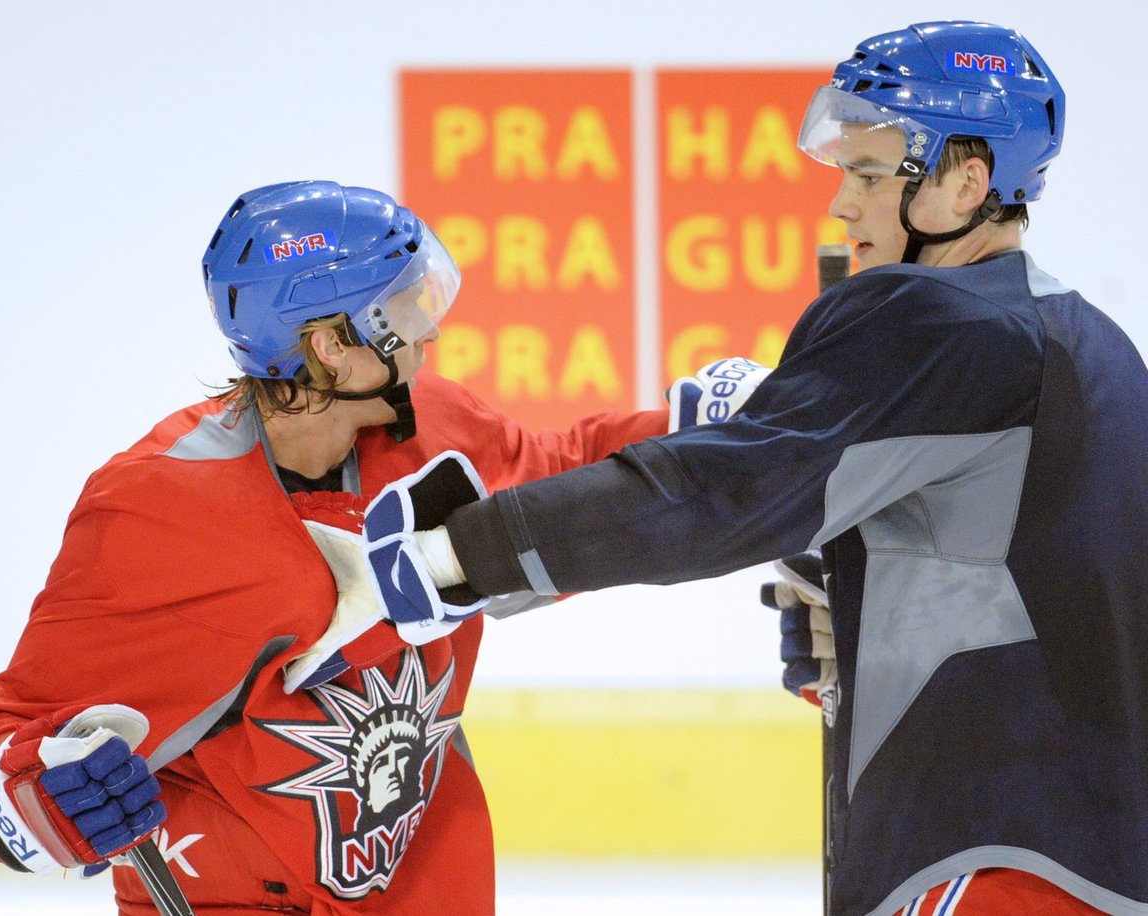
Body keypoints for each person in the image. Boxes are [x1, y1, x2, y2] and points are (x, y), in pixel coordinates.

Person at [359, 21, 1148, 916]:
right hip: (1089, 849)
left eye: (867, 175)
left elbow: (715, 494)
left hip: (985, 847)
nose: (841, 206)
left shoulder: (940, 323)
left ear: (965, 183)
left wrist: (458, 557)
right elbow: (1029, 569)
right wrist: (850, 596)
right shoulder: (1084, 338)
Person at [0, 181, 666, 914]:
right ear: (329, 347)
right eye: (401, 309)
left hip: (425, 893)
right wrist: (36, 797)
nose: (430, 331)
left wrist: (719, 434)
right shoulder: (156, 510)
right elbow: (2, 739)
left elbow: (560, 477)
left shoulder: (434, 430)